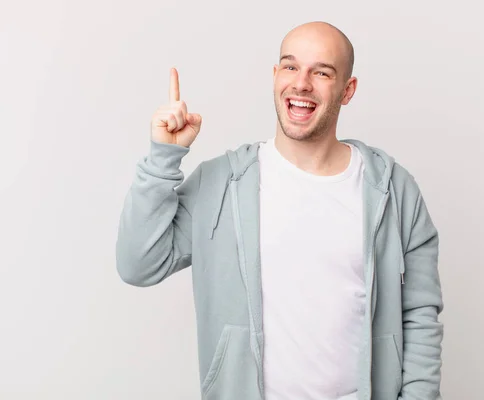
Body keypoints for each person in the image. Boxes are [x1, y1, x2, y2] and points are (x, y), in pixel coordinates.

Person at [116, 21, 444, 400]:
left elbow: (420, 315)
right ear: (275, 76)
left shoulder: (393, 189)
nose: (301, 83)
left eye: (321, 72)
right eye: (290, 66)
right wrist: (162, 158)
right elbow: (138, 264)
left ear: (348, 90)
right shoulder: (221, 183)